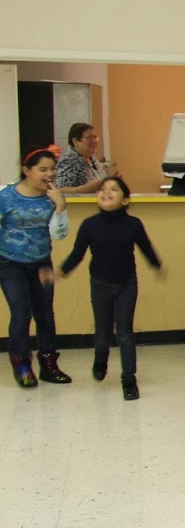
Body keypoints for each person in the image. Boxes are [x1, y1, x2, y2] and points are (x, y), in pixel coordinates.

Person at [58, 176, 164, 400]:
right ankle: (100, 358)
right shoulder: (90, 225)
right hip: (100, 285)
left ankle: (128, 379)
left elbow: (146, 247)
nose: (106, 193)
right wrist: (61, 271)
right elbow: (77, 254)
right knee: (103, 333)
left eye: (113, 190)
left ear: (125, 200)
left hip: (127, 283)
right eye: (102, 190)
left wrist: (157, 265)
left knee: (124, 332)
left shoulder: (133, 224)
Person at [1, 148, 71, 387]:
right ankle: (21, 365)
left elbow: (59, 235)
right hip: (10, 263)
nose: (49, 174)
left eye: (53, 169)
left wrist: (60, 206)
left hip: (41, 262)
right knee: (21, 312)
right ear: (27, 171)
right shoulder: (5, 196)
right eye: (43, 169)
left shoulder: (51, 198)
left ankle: (49, 365)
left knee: (45, 314)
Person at [54, 123, 114, 195]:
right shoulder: (69, 161)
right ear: (75, 141)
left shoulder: (93, 159)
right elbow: (59, 190)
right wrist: (85, 189)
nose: (94, 141)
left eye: (95, 137)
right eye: (89, 138)